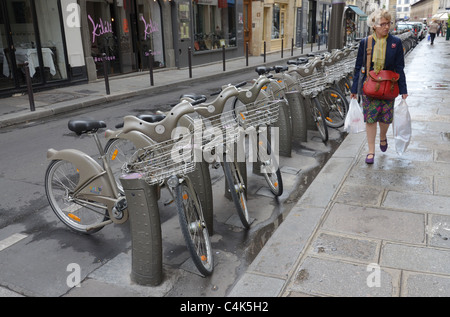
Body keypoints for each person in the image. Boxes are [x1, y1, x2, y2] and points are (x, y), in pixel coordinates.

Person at [350, 9, 408, 164]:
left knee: (386, 120)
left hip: (389, 88)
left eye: (388, 23)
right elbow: (358, 67)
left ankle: (383, 137)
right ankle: (371, 151)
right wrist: (354, 89)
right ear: (373, 25)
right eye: (382, 24)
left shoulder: (395, 42)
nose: (386, 27)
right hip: (370, 87)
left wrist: (403, 90)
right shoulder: (366, 42)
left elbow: (400, 67)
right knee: (370, 119)